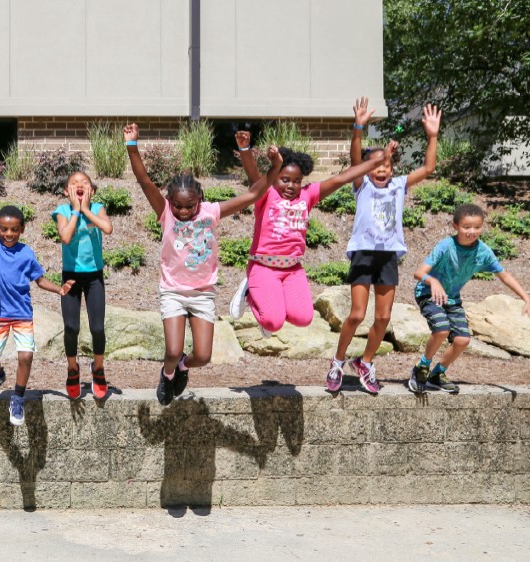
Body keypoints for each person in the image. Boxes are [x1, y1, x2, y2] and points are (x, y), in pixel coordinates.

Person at [124, 123, 282, 407]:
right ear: (170, 201)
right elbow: (144, 180)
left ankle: (183, 367)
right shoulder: (165, 212)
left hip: (203, 293)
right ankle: (168, 374)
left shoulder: (211, 212)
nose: (184, 211)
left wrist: (275, 168)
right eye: (178, 206)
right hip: (173, 291)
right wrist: (132, 145)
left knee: (203, 356)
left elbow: (253, 194)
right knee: (172, 351)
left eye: (190, 205)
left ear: (200, 200)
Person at [231, 130, 401, 342]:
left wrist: (381, 160)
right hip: (263, 266)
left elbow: (342, 178)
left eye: (296, 181)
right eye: (285, 180)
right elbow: (253, 173)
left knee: (304, 318)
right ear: (274, 178)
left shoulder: (307, 195)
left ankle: (268, 304)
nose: (291, 186)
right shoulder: (266, 194)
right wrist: (245, 148)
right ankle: (251, 292)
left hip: (292, 269)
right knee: (272, 322)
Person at [327, 99, 440, 394]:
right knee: (356, 314)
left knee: (383, 317)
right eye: (376, 165)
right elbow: (356, 161)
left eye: (386, 165)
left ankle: (365, 362)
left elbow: (428, 167)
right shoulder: (361, 184)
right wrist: (358, 127)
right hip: (363, 253)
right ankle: (337, 361)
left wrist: (432, 135)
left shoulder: (399, 185)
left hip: (388, 255)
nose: (382, 170)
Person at [408, 204, 530, 394]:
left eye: (477, 227)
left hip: (452, 299)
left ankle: (437, 374)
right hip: (428, 293)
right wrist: (433, 281)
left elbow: (504, 275)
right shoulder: (445, 246)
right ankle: (421, 368)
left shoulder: (483, 251)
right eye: (466, 227)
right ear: (455, 226)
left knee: (463, 340)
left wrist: (525, 297)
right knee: (441, 330)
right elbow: (419, 273)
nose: (472, 231)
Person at [0, 198, 73, 426]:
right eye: (4, 229)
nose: (9, 234)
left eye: (14, 229)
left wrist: (59, 289)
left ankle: (18, 398)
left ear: (22, 229)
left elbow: (39, 280)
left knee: (26, 356)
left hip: (21, 313)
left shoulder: (26, 253)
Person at [51, 171, 113, 400]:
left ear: (92, 191)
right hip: (71, 277)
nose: (79, 185)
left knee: (97, 328)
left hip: (94, 277)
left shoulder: (97, 208)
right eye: (74, 183)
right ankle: (72, 368)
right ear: (66, 191)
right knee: (71, 327)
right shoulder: (62, 211)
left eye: (84, 183)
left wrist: (86, 210)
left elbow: (107, 228)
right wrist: (76, 211)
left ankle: (98, 368)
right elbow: (66, 237)